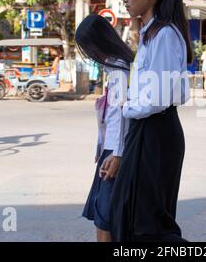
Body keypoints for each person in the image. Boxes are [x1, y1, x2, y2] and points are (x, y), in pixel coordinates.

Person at [110, 0, 193, 242]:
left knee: (150, 223)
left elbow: (160, 96)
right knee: (131, 215)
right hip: (144, 130)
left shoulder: (165, 34)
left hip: (157, 132)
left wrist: (127, 106)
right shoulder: (149, 34)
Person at [75, 14, 133, 242]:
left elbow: (120, 112)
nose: (89, 54)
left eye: (88, 47)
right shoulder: (117, 66)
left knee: (104, 219)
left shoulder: (119, 69)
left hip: (116, 151)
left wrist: (116, 154)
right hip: (111, 150)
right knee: (105, 215)